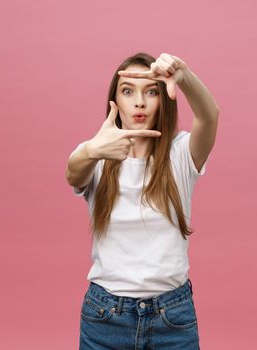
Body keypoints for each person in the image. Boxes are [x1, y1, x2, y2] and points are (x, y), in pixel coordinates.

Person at [66, 52, 220, 349]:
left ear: (164, 100)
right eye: (128, 92)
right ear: (115, 102)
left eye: (151, 92)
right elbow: (73, 174)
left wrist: (183, 76)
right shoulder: (95, 153)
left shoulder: (181, 153)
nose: (139, 102)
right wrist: (92, 151)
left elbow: (209, 114)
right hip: (105, 316)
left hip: (172, 316)